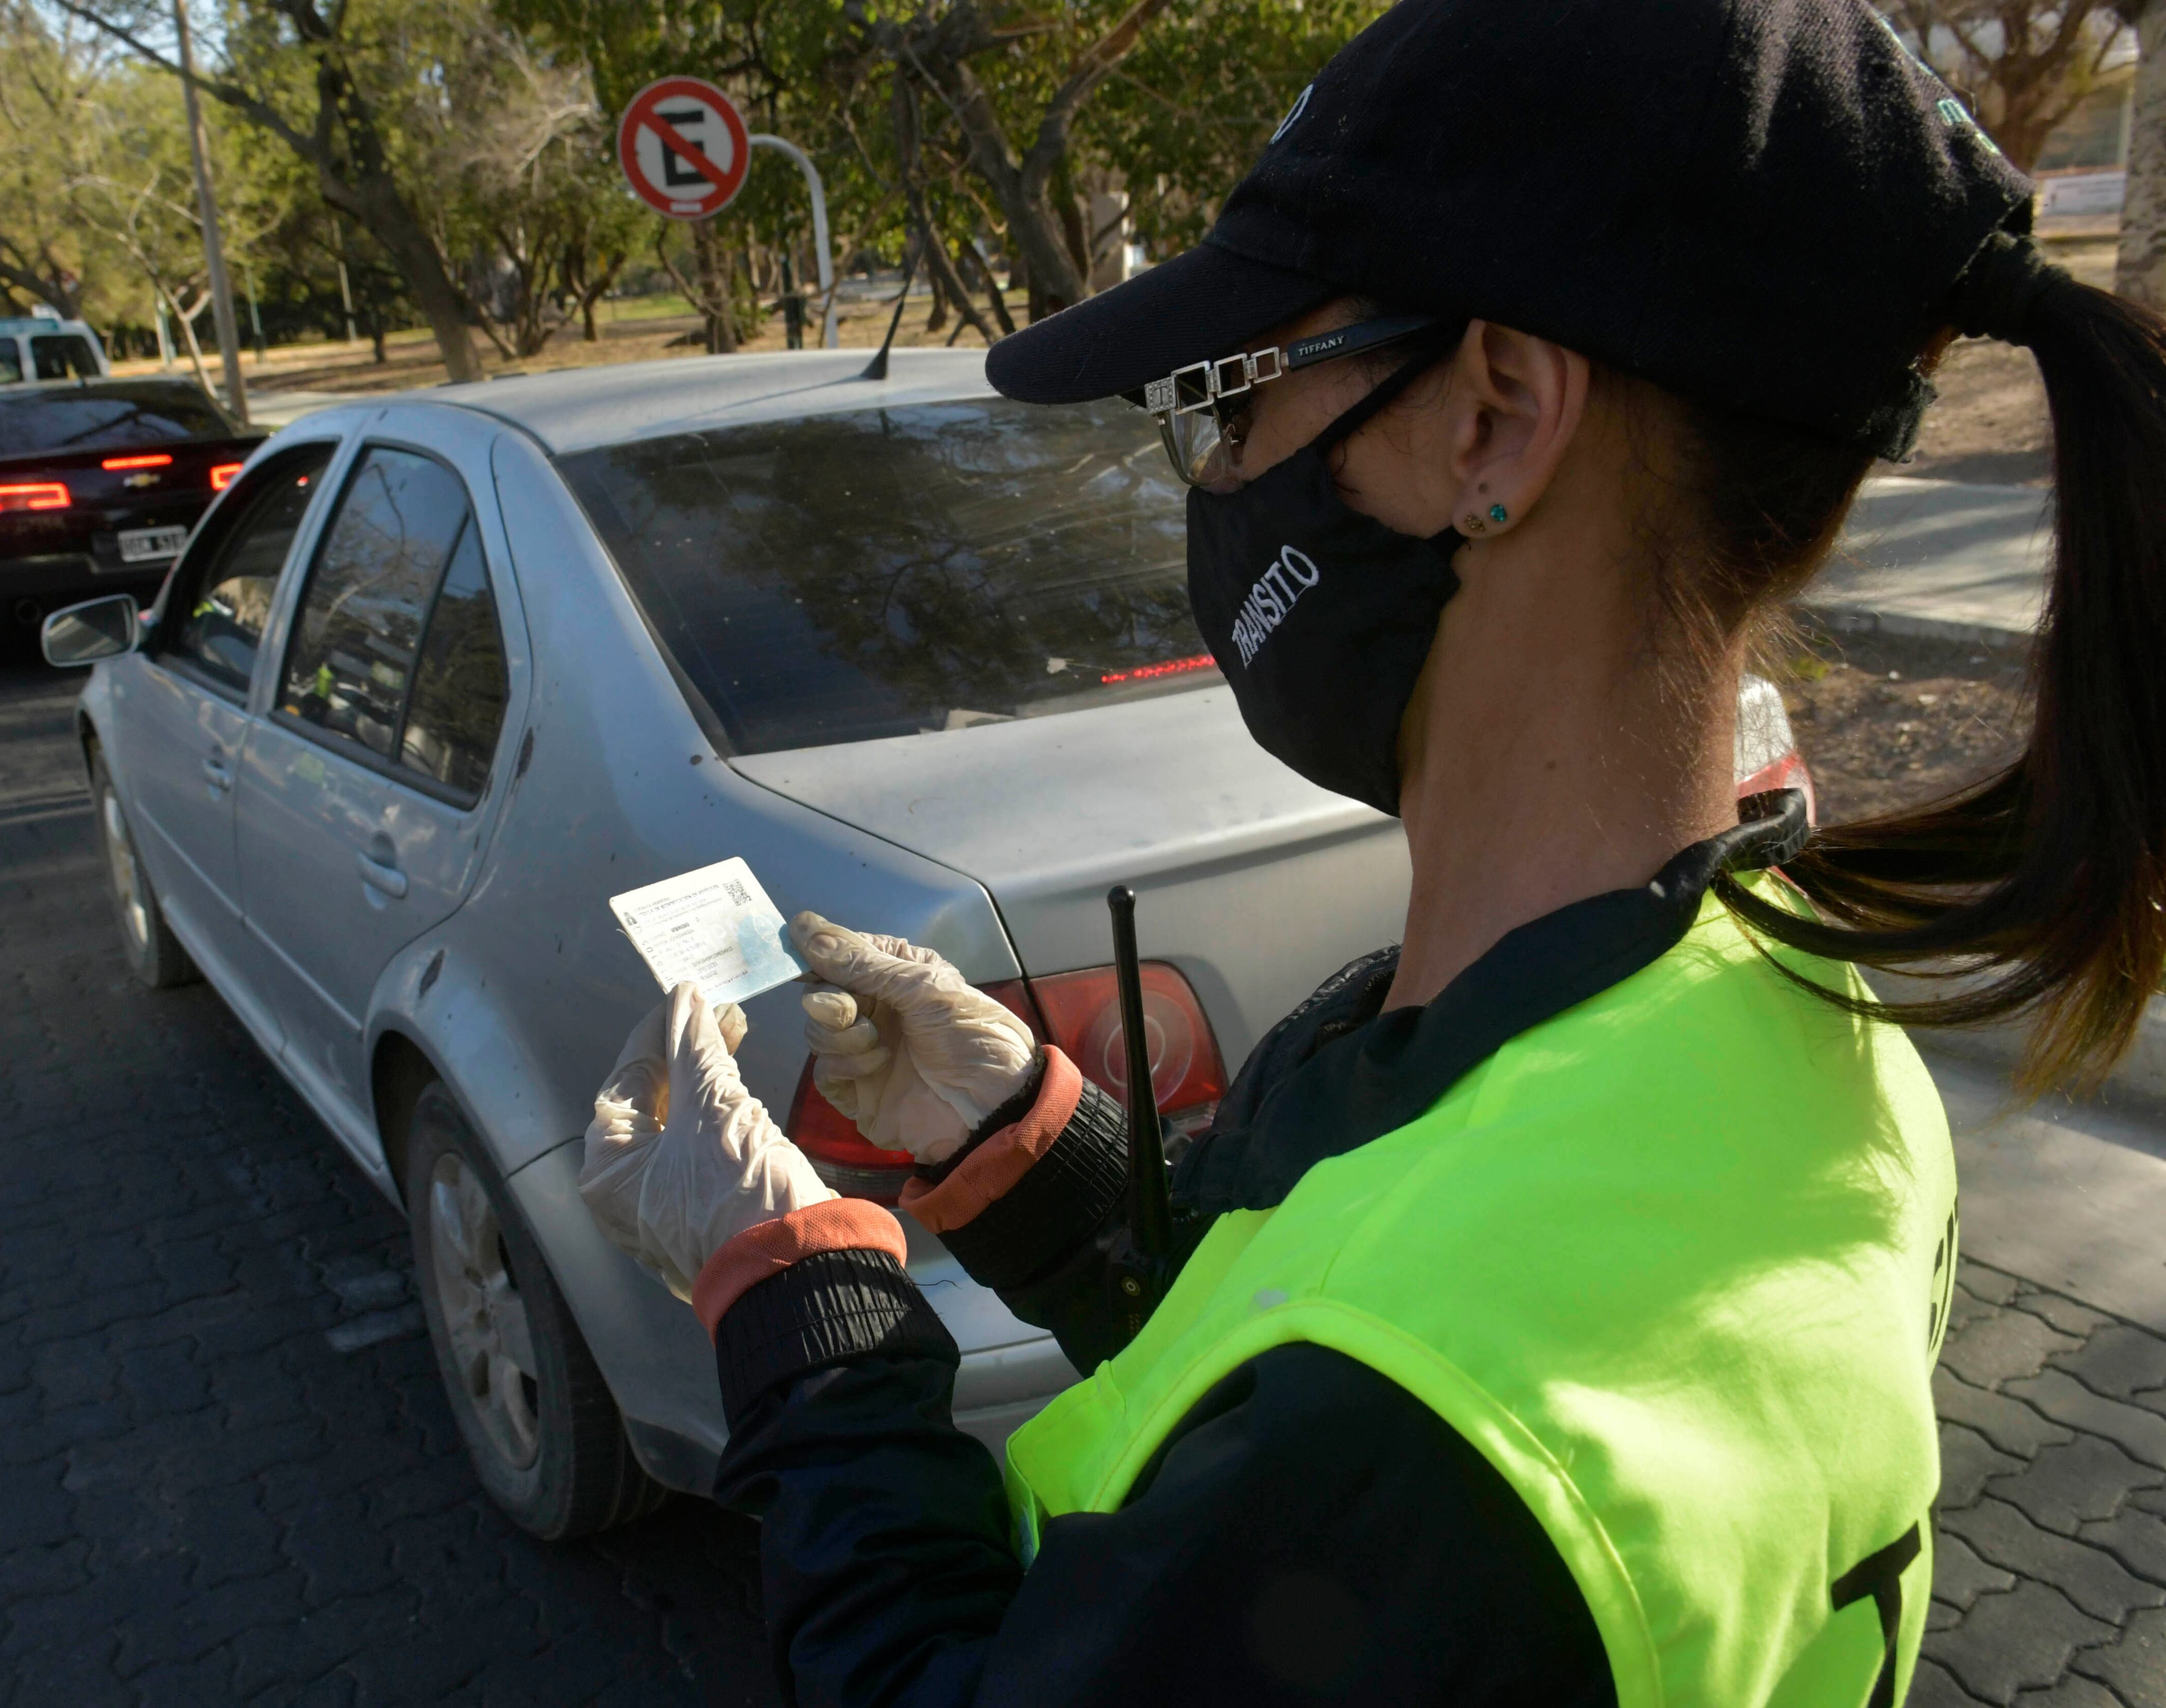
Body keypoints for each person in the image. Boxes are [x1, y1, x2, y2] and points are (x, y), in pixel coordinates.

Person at [576, 0, 2166, 1702]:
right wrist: (1033, 1150)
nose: (1222, 474)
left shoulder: (1425, 1437)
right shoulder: (1782, 1003)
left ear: (1492, 415)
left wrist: (795, 1309)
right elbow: (1307, 1334)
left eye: (1230, 401)